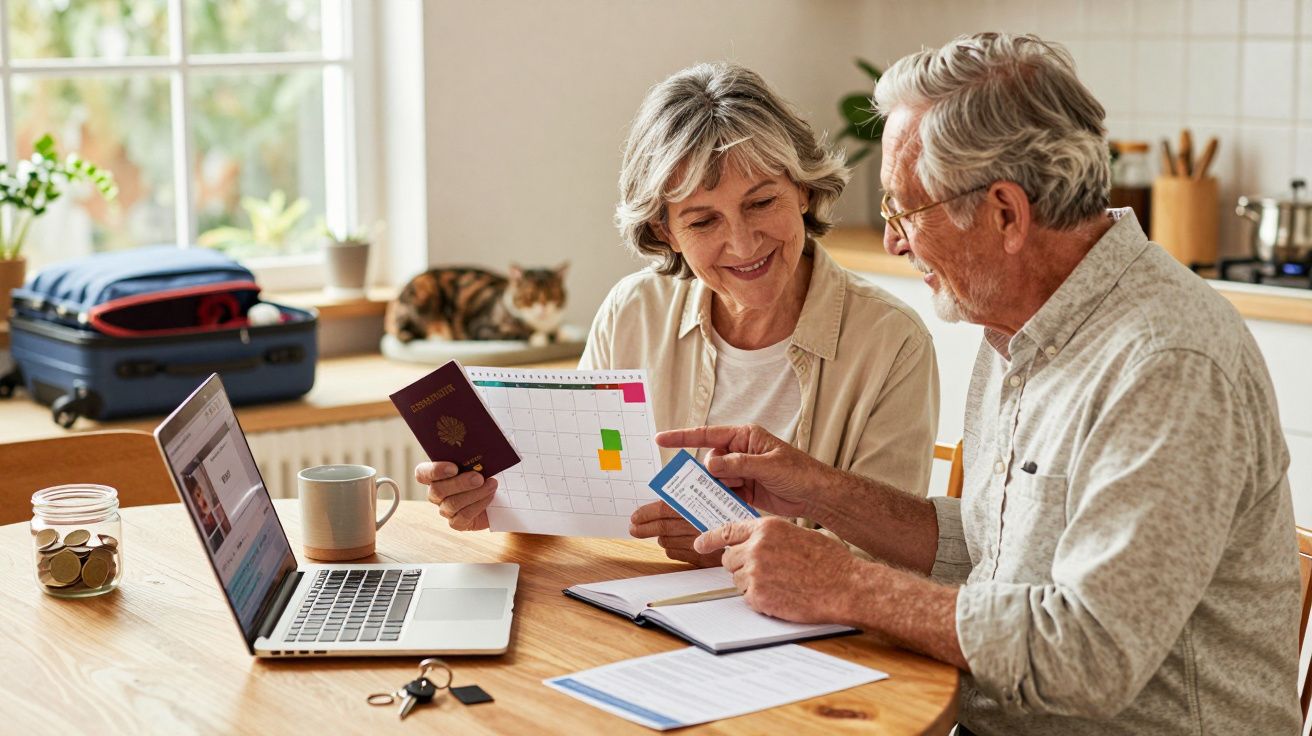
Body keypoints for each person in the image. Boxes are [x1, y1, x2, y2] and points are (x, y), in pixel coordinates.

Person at [663, 33, 1301, 735]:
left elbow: (1089, 652)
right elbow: (997, 548)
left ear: (1005, 213)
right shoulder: (1017, 327)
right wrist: (817, 490)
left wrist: (844, 582)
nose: (894, 244)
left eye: (904, 209)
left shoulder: (1166, 361)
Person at [419, 61, 940, 567]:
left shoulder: (891, 341)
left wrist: (729, 539)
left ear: (802, 189)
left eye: (761, 203)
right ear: (666, 231)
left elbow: (892, 556)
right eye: (703, 220)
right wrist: (494, 503)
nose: (741, 242)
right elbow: (581, 495)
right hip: (642, 615)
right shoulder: (632, 312)